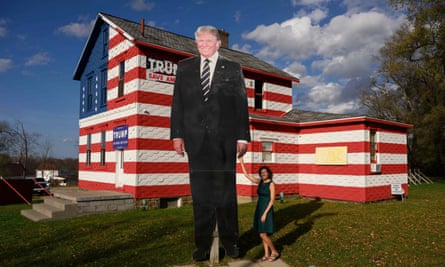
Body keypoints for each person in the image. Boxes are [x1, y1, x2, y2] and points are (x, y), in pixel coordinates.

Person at [170, 25, 250, 261]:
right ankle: (202, 246)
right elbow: (178, 103)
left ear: (218, 43)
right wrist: (177, 135)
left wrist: (242, 136)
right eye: (200, 41)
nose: (204, 45)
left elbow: (241, 104)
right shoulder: (184, 68)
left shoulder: (233, 68)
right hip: (196, 142)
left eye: (208, 41)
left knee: (226, 194)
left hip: (225, 141)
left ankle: (231, 241)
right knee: (201, 195)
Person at [238, 156, 280, 262]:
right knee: (262, 232)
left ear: (269, 173)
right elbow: (247, 175)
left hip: (266, 210)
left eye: (265, 172)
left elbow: (272, 201)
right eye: (261, 173)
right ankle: (266, 254)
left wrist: (265, 213)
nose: (263, 174)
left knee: (263, 233)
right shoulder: (260, 182)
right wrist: (241, 162)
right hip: (259, 208)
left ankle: (274, 251)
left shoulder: (271, 184)